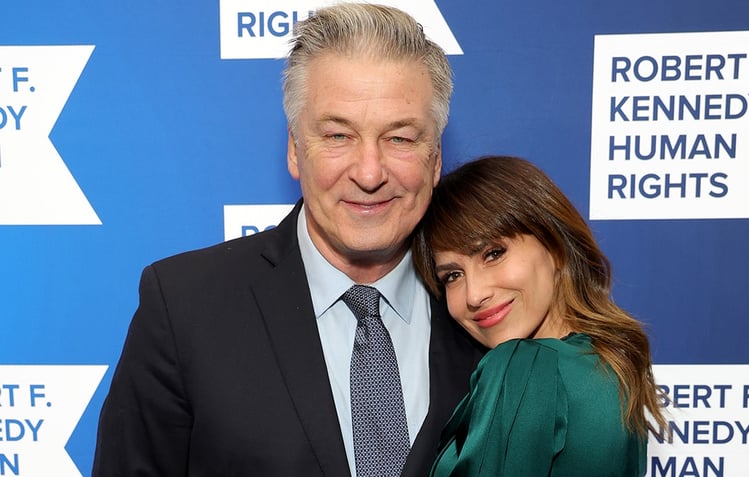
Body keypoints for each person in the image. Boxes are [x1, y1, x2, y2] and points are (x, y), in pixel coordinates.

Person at [92, 4, 481, 476]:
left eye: (399, 139)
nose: (369, 172)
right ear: (296, 150)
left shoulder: (488, 308)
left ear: (436, 159)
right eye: (338, 135)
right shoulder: (183, 307)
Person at [412, 155, 668, 476]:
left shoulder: (524, 368)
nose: (474, 294)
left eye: (493, 253)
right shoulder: (610, 364)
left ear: (554, 244)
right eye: (452, 275)